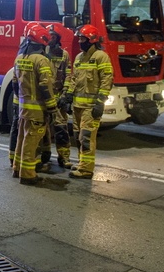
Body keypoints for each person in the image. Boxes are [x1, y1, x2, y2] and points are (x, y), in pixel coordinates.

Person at [62, 24, 113, 179]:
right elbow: (73, 79)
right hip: (78, 106)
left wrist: (100, 102)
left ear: (92, 40)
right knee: (78, 137)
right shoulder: (79, 57)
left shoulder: (100, 57)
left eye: (83, 38)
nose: (80, 41)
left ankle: (86, 170)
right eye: (79, 38)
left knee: (86, 137)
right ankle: (82, 163)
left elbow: (107, 79)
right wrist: (68, 95)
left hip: (90, 107)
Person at [12, 22, 59, 186]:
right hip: (37, 110)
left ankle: (17, 168)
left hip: (23, 108)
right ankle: (27, 174)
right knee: (31, 142)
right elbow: (45, 86)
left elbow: (14, 84)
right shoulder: (41, 60)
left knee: (21, 139)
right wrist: (52, 107)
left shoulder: (19, 58)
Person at [36, 25, 72, 171]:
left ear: (57, 38)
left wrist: (65, 94)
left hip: (58, 98)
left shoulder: (63, 55)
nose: (49, 38)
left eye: (51, 35)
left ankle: (64, 158)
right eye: (48, 35)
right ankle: (44, 155)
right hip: (45, 97)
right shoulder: (41, 53)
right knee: (43, 130)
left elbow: (68, 75)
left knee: (61, 129)